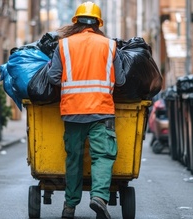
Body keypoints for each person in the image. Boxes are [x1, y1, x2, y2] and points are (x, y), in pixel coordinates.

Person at [47, 2, 125, 219]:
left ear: (76, 22)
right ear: (98, 24)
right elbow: (121, 80)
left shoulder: (63, 46)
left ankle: (69, 206)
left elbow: (53, 77)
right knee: (103, 155)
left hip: (72, 111)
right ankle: (99, 197)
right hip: (101, 111)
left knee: (74, 157)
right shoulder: (109, 46)